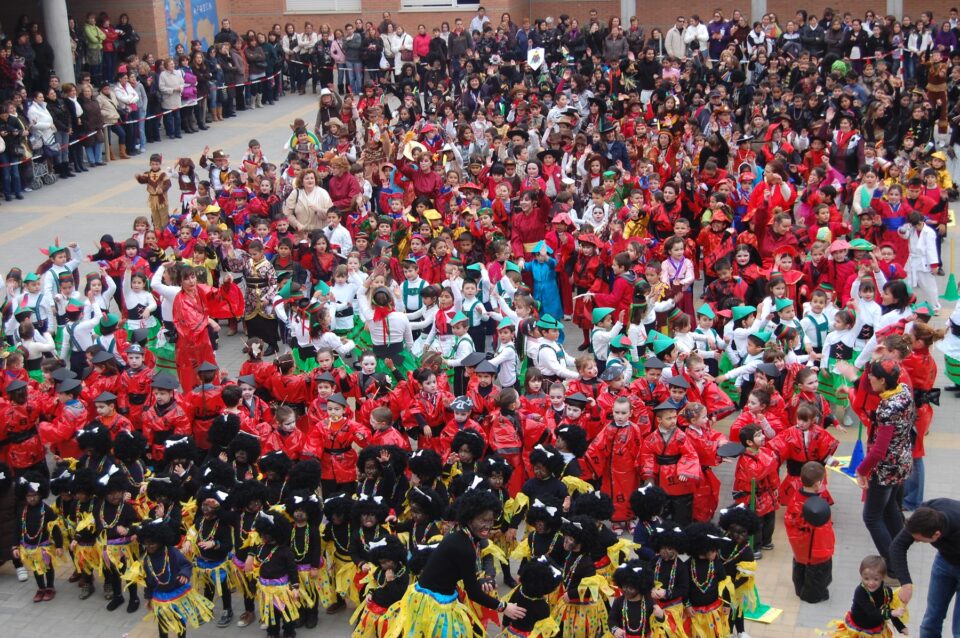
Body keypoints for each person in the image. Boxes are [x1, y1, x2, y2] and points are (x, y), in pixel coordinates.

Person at [890, 500, 960, 637]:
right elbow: (897, 547)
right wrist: (906, 583)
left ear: (936, 535)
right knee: (930, 622)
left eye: (920, 540)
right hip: (944, 562)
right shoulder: (925, 515)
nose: (916, 541)